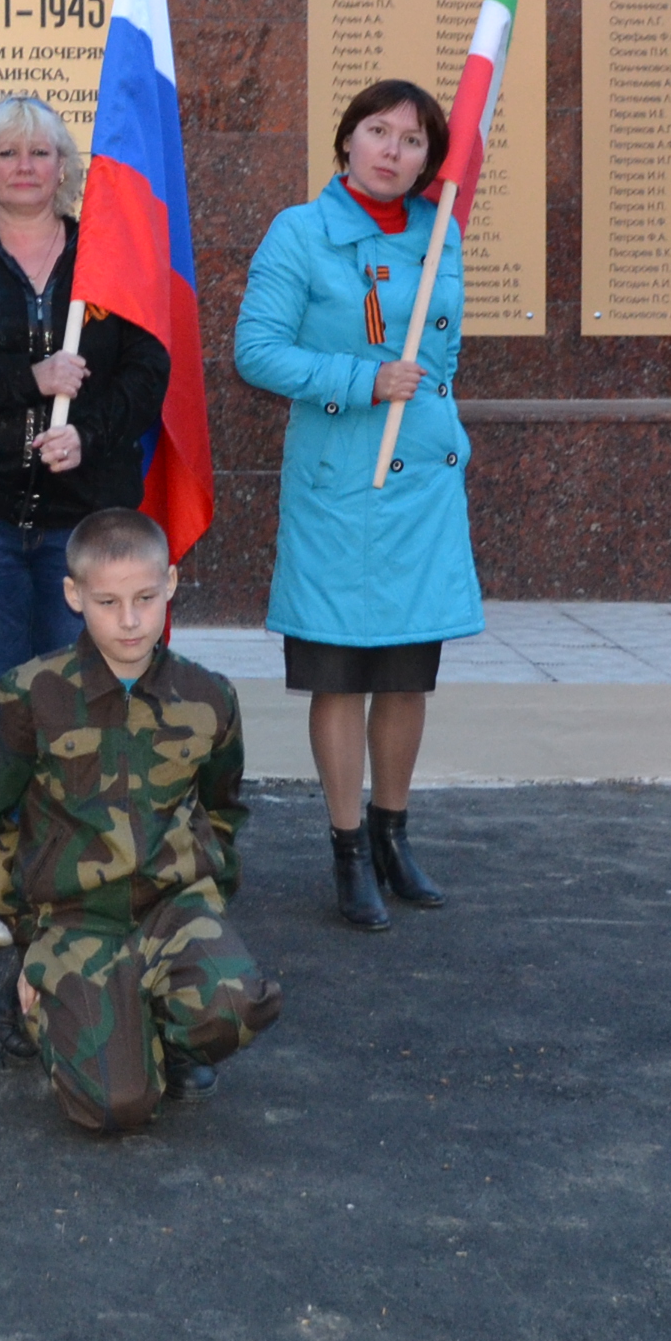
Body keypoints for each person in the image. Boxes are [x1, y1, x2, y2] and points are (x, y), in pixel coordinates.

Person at [0, 92, 169, 951]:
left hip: (81, 521)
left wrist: (86, 434)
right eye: (6, 153)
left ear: (66, 167)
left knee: (82, 694)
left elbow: (146, 378)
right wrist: (32, 379)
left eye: (41, 153)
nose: (24, 166)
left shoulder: (110, 264)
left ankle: (78, 872)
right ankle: (0, 876)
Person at [233, 77, 486, 933]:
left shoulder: (439, 228)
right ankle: (346, 850)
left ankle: (393, 834)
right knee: (340, 674)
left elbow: (441, 350)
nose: (393, 151)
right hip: (342, 484)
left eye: (413, 140)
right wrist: (362, 379)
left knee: (408, 676)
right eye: (377, 131)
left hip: (419, 487)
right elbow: (256, 352)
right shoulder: (300, 234)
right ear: (346, 141)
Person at [0, 506, 281, 1134]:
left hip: (171, 906)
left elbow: (222, 808)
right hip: (75, 916)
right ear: (74, 595)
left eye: (145, 596)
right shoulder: (30, 694)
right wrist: (29, 939)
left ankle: (166, 1032)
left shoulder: (208, 697)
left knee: (239, 1004)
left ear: (170, 582)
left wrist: (208, 903)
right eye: (108, 602)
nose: (131, 620)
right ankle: (40, 1005)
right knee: (117, 1107)